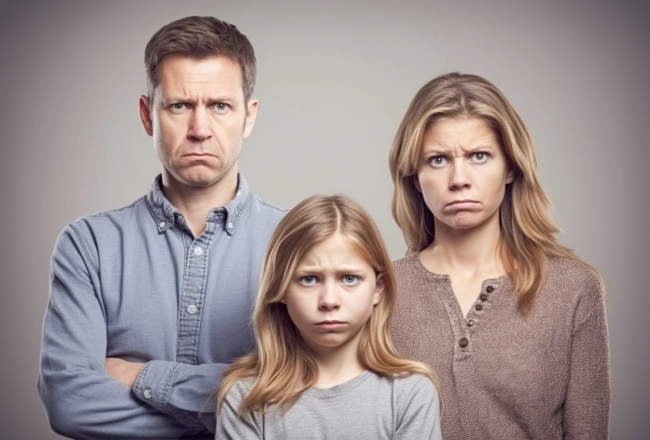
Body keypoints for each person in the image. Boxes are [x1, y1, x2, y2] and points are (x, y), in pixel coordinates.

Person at [37, 16, 285, 439]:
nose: (200, 130)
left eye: (220, 106)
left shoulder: (296, 242)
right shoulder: (88, 245)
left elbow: (303, 399)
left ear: (249, 116)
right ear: (147, 115)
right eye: (179, 106)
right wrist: (238, 417)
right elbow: (68, 402)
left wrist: (142, 376)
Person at [389, 72, 611, 439]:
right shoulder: (380, 291)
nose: (459, 178)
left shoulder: (573, 290)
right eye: (438, 159)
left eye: (479, 156)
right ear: (415, 176)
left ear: (510, 167)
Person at [215, 195, 442, 439]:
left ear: (378, 288)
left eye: (349, 278)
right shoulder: (246, 397)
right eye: (309, 279)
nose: (329, 301)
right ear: (279, 288)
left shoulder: (410, 393)